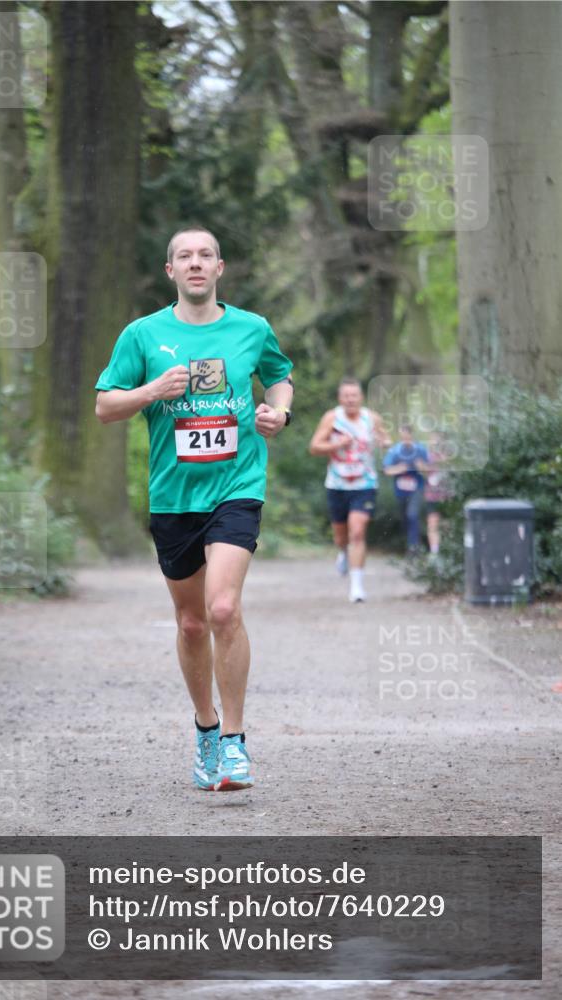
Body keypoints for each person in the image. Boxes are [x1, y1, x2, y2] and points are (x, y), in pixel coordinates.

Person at [95, 227, 293, 793]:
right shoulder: (143, 335)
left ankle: (234, 742)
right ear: (171, 271)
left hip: (237, 486)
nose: (196, 263)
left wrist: (278, 414)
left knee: (224, 608)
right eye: (185, 256)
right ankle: (205, 727)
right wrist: (152, 391)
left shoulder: (251, 329)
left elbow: (280, 379)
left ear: (220, 267)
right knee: (190, 623)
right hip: (174, 496)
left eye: (206, 255)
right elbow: (106, 407)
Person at [309, 378, 390, 603]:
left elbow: (386, 440)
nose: (350, 399)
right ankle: (343, 552)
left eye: (354, 395)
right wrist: (337, 444)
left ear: (361, 397)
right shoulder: (332, 418)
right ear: (340, 398)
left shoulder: (371, 418)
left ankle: (357, 587)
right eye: (346, 396)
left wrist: (384, 443)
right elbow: (315, 447)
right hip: (337, 484)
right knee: (341, 535)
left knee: (357, 531)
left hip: (365, 484)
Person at [382, 424, 430, 553]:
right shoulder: (395, 451)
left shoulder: (420, 450)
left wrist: (421, 467)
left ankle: (413, 548)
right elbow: (387, 470)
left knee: (412, 514)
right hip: (401, 491)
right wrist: (399, 468)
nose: (405, 441)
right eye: (403, 438)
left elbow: (428, 470)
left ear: (411, 436)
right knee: (405, 518)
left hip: (416, 489)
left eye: (407, 438)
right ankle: (408, 543)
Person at [424, 432, 452, 556]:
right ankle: (435, 552)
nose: (434, 442)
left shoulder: (449, 457)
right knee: (432, 523)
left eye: (437, 440)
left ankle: (446, 550)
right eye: (432, 440)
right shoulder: (427, 457)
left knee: (446, 524)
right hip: (432, 496)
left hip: (446, 496)